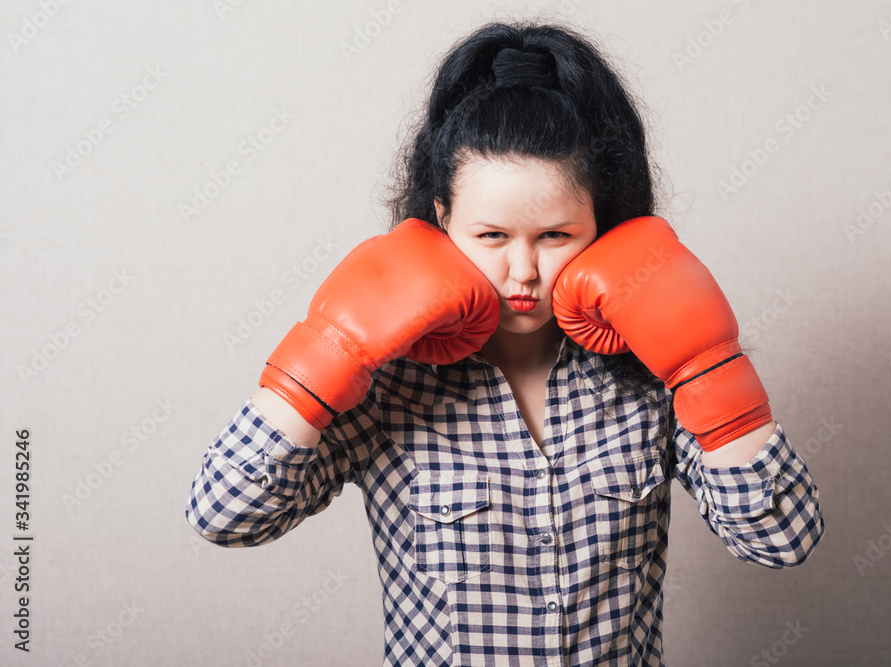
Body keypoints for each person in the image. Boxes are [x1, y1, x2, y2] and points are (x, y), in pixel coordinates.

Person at [186, 20, 825, 666]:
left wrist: (708, 366)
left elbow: (782, 538)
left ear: (600, 222)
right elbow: (225, 514)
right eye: (492, 236)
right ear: (441, 218)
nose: (523, 272)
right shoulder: (389, 381)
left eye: (554, 236)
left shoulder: (648, 371)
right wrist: (323, 356)